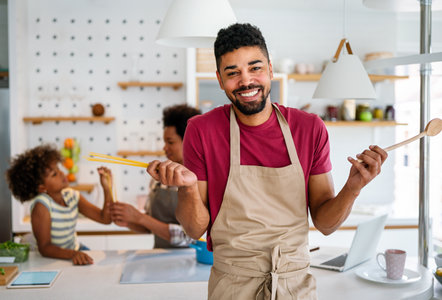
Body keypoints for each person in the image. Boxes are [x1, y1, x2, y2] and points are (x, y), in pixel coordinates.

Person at [147, 23, 387, 299]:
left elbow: (325, 223)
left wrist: (353, 187)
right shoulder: (202, 130)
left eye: (255, 67)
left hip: (294, 285)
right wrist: (187, 187)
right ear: (219, 79)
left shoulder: (309, 128)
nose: (246, 81)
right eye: (232, 73)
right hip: (232, 285)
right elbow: (194, 228)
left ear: (270, 69)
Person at [110, 104, 201, 248]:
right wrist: (128, 220)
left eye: (170, 142)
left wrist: (140, 217)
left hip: (191, 260)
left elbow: (191, 237)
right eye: (164, 141)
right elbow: (149, 224)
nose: (165, 147)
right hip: (159, 257)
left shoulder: (202, 181)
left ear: (190, 141)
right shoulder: (159, 179)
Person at [6, 144, 113, 265]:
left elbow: (106, 219)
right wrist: (73, 254)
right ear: (42, 188)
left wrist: (107, 188)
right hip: (46, 258)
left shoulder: (72, 196)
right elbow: (45, 248)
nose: (62, 173)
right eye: (54, 174)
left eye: (58, 169)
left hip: (72, 250)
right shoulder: (42, 206)